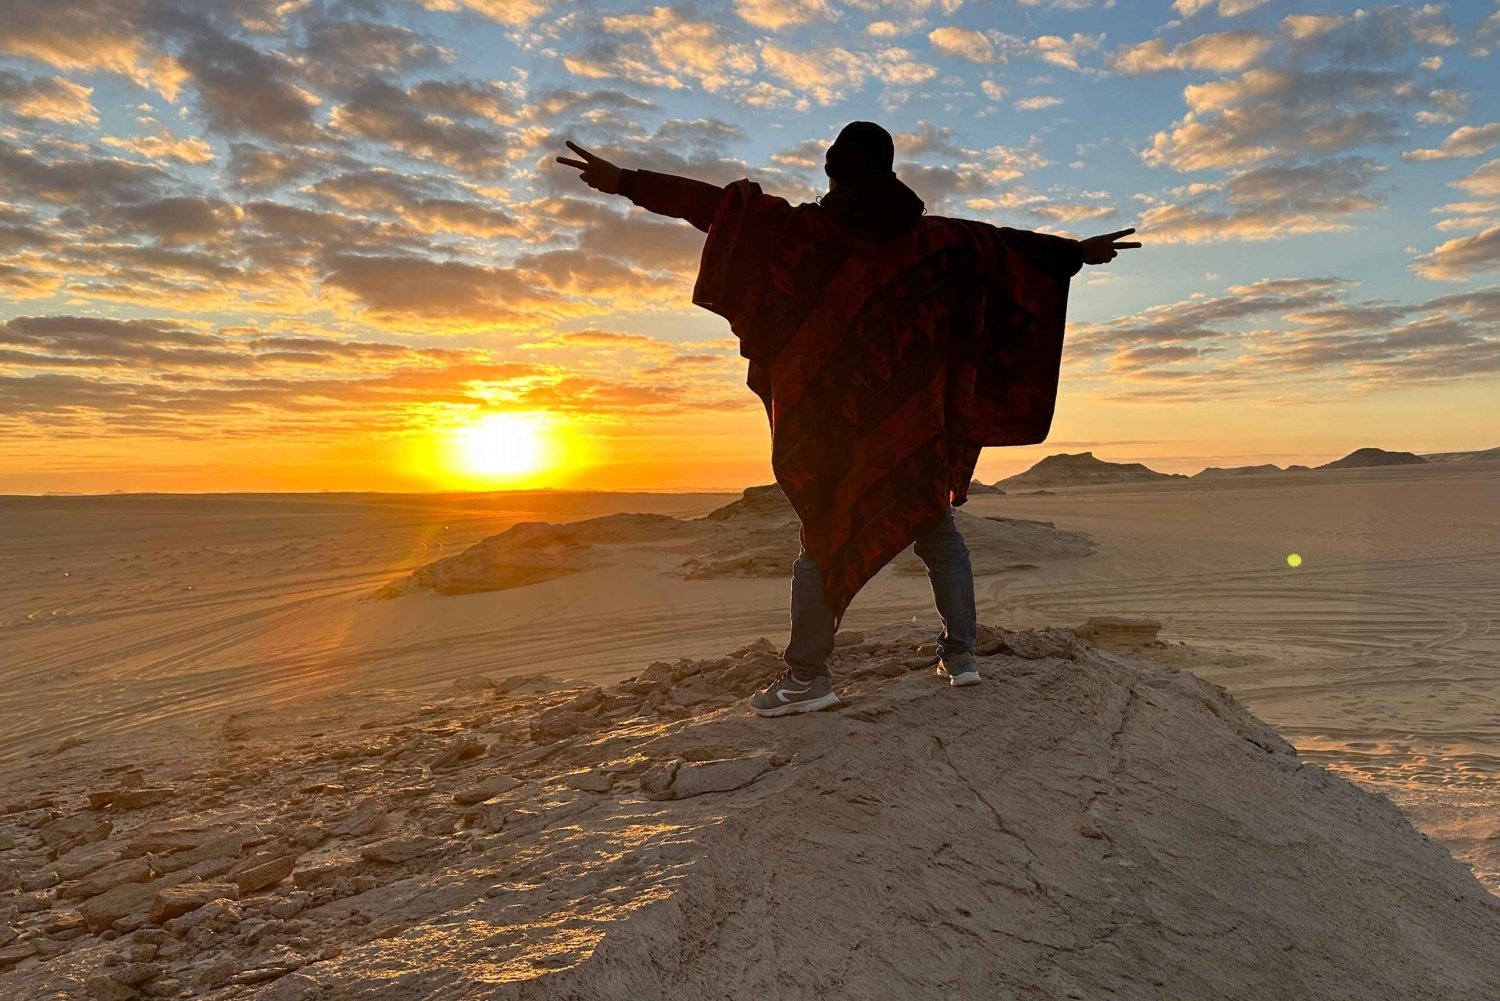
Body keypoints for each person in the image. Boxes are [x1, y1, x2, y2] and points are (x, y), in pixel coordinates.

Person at [557, 121, 1139, 717]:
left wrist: (624, 181)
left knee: (824, 534)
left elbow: (713, 207)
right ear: (890, 171)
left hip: (831, 427)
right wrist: (1079, 251)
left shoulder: (802, 234)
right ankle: (962, 659)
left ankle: (808, 678)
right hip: (916, 423)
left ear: (834, 169)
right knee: (937, 531)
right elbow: (1011, 249)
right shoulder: (939, 240)